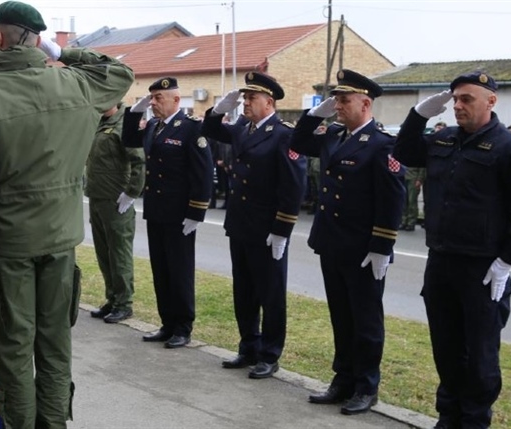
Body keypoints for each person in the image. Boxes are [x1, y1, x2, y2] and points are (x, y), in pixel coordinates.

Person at [0, 2, 134, 427]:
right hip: (60, 242)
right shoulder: (74, 84)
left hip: (9, 245)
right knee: (55, 344)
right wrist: (66, 52)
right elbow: (120, 74)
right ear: (38, 39)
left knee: (14, 350)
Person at [393, 71, 511, 428]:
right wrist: (418, 116)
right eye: (455, 99)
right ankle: (449, 416)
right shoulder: (444, 139)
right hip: (442, 261)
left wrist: (506, 261)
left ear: (491, 102)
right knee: (445, 348)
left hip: (483, 268)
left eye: (467, 99)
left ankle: (475, 420)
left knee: (479, 356)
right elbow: (403, 152)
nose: (458, 106)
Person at [290, 69, 404, 415]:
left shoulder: (384, 144)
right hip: (332, 242)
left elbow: (392, 199)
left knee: (366, 320)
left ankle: (366, 386)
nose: (337, 105)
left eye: (344, 100)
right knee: (341, 315)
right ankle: (343, 379)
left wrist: (382, 246)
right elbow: (298, 143)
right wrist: (313, 116)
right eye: (335, 99)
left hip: (364, 248)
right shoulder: (333, 135)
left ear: (365, 103)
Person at [201, 72, 306, 380]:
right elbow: (210, 129)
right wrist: (220, 108)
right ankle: (248, 346)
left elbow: (294, 185)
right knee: (244, 290)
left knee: (271, 293)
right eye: (244, 98)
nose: (246, 103)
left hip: (267, 227)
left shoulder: (284, 133)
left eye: (251, 98)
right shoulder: (242, 130)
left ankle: (270, 354)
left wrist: (282, 229)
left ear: (269, 102)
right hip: (241, 222)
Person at [121, 77, 213, 349]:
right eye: (151, 98)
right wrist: (134, 112)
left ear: (176, 99)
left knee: (180, 270)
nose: (153, 103)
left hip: (180, 213)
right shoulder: (152, 126)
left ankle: (183, 326)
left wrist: (196, 212)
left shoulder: (191, 128)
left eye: (158, 98)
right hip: (157, 210)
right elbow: (129, 139)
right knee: (160, 269)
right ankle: (167, 323)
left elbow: (203, 173)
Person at [85, 102, 145, 324]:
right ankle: (111, 298)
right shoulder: (100, 123)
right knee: (104, 253)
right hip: (97, 197)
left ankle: (124, 303)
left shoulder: (124, 124)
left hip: (116, 200)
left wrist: (131, 193)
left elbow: (139, 161)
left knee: (119, 253)